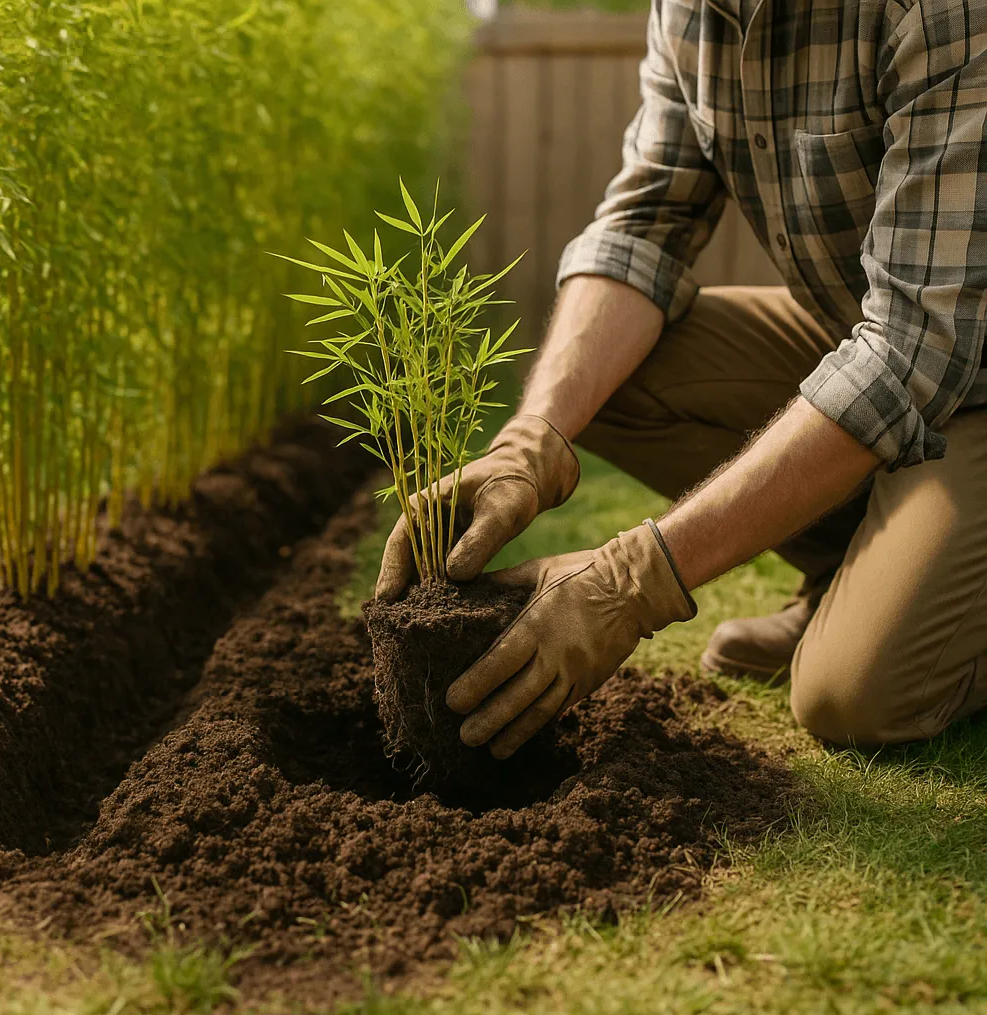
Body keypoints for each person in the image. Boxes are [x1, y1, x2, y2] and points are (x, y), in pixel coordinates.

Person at [376, 0, 987, 757]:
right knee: (599, 373)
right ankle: (852, 572)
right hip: (873, 334)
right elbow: (642, 228)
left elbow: (915, 347)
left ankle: (943, 609)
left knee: (852, 697)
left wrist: (634, 582)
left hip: (962, 365)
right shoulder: (692, 11)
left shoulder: (939, 12)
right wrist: (528, 445)